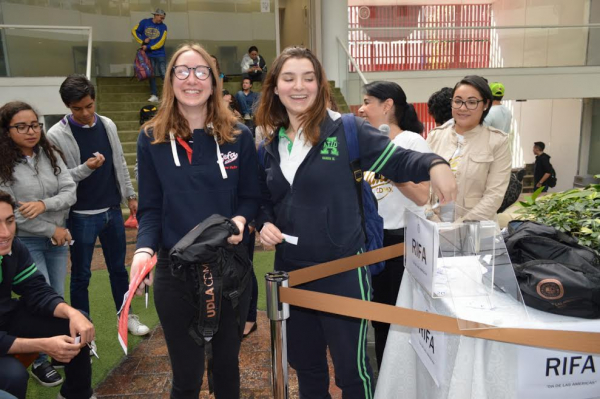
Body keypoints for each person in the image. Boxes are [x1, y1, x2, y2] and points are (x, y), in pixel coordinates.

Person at [254, 46, 456, 399]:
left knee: (353, 372)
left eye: (308, 78)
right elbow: (264, 200)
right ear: (274, 87)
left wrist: (435, 164)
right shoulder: (270, 144)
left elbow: (400, 160)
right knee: (308, 368)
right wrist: (265, 223)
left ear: (320, 85)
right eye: (288, 78)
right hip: (292, 274)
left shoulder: (347, 130)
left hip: (344, 273)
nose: (298, 86)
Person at [131, 43, 261, 398]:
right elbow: (151, 208)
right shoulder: (151, 138)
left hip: (230, 271)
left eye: (201, 71)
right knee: (186, 376)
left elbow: (251, 197)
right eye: (183, 71)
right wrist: (143, 250)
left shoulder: (239, 136)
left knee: (226, 370)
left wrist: (239, 219)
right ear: (170, 79)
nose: (192, 79)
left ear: (215, 81)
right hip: (176, 274)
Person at [47, 74, 150, 336]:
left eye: (89, 106)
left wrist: (130, 195)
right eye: (77, 109)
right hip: (80, 214)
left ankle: (125, 316)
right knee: (80, 276)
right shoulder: (56, 134)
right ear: (68, 107)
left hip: (112, 211)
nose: (84, 113)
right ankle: (82, 327)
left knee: (118, 269)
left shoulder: (107, 124)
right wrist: (85, 168)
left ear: (94, 100)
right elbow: (57, 178)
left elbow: (118, 163)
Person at [0, 101, 77, 387]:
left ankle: (59, 349)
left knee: (54, 296)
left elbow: (70, 191)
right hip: (22, 242)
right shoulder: (3, 163)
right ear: (7, 131)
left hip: (56, 239)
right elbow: (12, 214)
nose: (31, 131)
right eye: (21, 126)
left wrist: (44, 204)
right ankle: (40, 362)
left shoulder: (49, 152)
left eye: (34, 124)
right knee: (35, 302)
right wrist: (51, 227)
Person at [358, 81, 432, 370]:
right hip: (372, 238)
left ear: (387, 105)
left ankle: (397, 377)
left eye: (367, 102)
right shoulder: (366, 144)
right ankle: (384, 375)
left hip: (400, 241)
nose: (362, 109)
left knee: (396, 314)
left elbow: (422, 195)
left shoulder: (412, 142)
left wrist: (392, 171)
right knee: (379, 314)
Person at [0, 190, 95, 399]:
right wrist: (43, 345)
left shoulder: (13, 247)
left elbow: (36, 290)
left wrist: (72, 313)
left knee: (76, 322)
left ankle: (76, 394)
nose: (5, 233)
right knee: (13, 376)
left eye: (9, 221)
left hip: (5, 319)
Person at [427, 75, 512, 222]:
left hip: (475, 230)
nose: (463, 108)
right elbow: (420, 182)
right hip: (434, 226)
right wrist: (432, 218)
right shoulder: (435, 137)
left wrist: (460, 227)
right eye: (458, 101)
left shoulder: (498, 142)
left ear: (485, 104)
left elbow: (494, 195)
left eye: (472, 102)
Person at [132, 8, 168, 103]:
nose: (162, 20)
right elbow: (134, 31)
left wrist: (149, 47)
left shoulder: (164, 27)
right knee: (151, 75)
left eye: (163, 18)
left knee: (164, 74)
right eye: (161, 17)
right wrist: (142, 41)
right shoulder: (145, 22)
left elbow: (161, 42)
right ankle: (154, 95)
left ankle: (169, 95)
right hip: (148, 55)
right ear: (156, 15)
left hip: (160, 54)